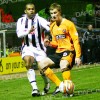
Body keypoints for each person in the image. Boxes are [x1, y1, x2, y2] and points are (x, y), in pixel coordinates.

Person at [38, 3, 81, 96]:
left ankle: (69, 90)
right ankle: (61, 86)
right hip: (59, 52)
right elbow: (55, 43)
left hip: (69, 51)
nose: (53, 15)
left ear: (59, 12)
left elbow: (76, 40)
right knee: (41, 64)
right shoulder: (52, 26)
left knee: (63, 64)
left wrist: (78, 56)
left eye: (55, 13)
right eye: (51, 13)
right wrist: (49, 43)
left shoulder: (69, 24)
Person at [16, 3, 51, 96]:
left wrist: (48, 35)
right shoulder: (21, 20)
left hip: (39, 48)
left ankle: (47, 83)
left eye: (33, 9)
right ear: (25, 11)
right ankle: (35, 88)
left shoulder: (39, 19)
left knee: (42, 69)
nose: (31, 10)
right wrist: (28, 31)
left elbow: (49, 28)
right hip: (28, 47)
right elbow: (19, 34)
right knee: (28, 62)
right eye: (29, 9)